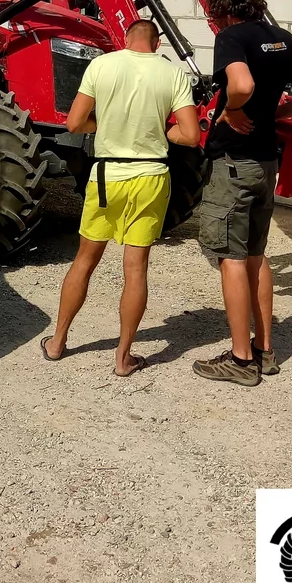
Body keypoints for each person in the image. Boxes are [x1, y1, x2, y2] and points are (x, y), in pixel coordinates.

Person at [40, 19, 201, 377]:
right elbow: (190, 135)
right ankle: (123, 358)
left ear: (126, 39)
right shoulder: (172, 74)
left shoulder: (102, 64)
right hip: (150, 178)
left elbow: (74, 123)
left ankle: (57, 342)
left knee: (85, 260)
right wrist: (160, 128)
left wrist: (106, 125)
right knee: (136, 269)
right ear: (157, 44)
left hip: (107, 175)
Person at [193, 0, 292, 387]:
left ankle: (239, 359)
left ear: (222, 11)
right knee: (256, 253)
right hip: (268, 161)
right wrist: (276, 114)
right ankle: (264, 351)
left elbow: (242, 83)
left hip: (234, 161)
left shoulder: (232, 38)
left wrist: (235, 111)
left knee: (230, 258)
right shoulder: (282, 37)